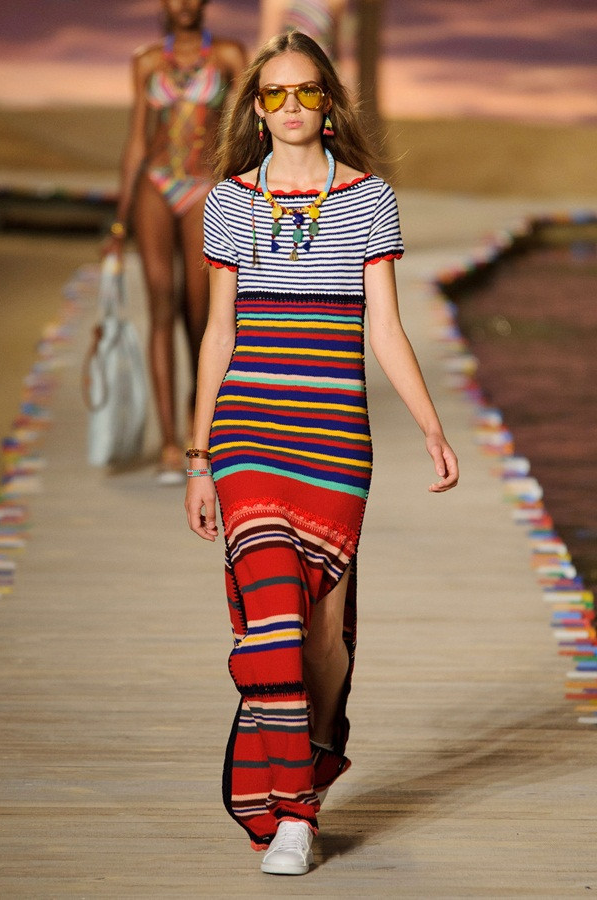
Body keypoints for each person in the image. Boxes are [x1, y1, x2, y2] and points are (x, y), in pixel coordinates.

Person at [185, 30, 458, 875]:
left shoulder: (369, 198)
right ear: (257, 109)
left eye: (307, 91)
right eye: (275, 94)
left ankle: (317, 742)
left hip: (334, 437)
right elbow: (219, 332)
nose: (292, 106)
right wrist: (197, 456)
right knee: (271, 615)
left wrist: (431, 425)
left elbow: (385, 327)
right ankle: (294, 815)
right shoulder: (229, 202)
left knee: (321, 637)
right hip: (247, 431)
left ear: (329, 103)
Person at [105, 0, 245, 483]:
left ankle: (195, 417)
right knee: (161, 304)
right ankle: (168, 439)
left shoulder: (228, 55)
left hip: (204, 186)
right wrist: (119, 223)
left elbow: (244, 129)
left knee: (201, 313)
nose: (183, 3)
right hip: (156, 184)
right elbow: (137, 141)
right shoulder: (147, 61)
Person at [259, 0, 348, 61]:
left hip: (325, 67)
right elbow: (268, 41)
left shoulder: (337, 2)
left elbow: (341, 48)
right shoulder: (276, 2)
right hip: (290, 65)